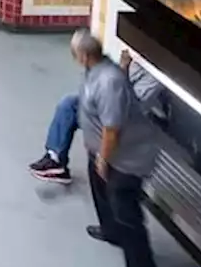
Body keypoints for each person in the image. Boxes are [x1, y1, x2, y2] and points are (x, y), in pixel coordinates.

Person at [71, 30, 162, 267]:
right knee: (99, 189)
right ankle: (110, 230)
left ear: (85, 56)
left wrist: (104, 158)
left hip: (126, 159)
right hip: (102, 151)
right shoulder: (96, 70)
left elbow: (112, 129)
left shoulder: (109, 82)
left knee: (128, 215)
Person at [30, 49, 163, 184]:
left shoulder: (156, 77)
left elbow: (129, 105)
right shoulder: (138, 62)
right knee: (68, 104)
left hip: (121, 119)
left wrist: (123, 69)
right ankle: (55, 159)